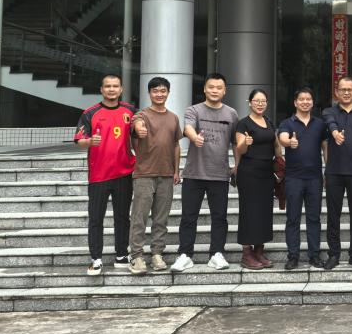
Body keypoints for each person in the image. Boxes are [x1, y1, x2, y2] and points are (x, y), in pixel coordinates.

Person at [172, 73, 239, 273]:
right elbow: (188, 128)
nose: (214, 91)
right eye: (211, 87)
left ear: (224, 91)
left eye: (219, 87)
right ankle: (185, 255)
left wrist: (237, 165)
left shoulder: (231, 114)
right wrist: (195, 138)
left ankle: (216, 254)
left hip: (219, 174)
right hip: (194, 173)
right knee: (188, 217)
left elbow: (236, 142)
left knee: (220, 217)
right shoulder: (194, 110)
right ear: (204, 89)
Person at [74, 74, 136, 276]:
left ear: (121, 89)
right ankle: (96, 259)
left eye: (115, 86)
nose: (111, 89)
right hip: (99, 175)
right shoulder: (90, 113)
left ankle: (121, 255)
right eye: (107, 86)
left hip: (124, 172)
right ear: (101, 89)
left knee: (122, 217)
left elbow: (139, 133)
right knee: (96, 218)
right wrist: (89, 142)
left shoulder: (130, 111)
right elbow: (79, 140)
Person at [129, 76, 182, 275]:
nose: (159, 94)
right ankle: (136, 256)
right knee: (139, 217)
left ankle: (157, 254)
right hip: (144, 174)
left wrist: (176, 170)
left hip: (167, 174)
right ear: (149, 93)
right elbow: (136, 124)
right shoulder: (141, 115)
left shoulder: (173, 117)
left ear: (168, 93)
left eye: (163, 91)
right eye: (155, 91)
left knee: (161, 219)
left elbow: (176, 145)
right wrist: (138, 129)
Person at [321, 76, 352, 270]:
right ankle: (333, 254)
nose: (346, 92)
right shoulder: (329, 111)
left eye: (350, 89)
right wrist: (335, 133)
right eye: (343, 89)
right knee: (333, 215)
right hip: (334, 171)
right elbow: (330, 122)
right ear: (337, 92)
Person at [278, 87, 327, 270]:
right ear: (295, 102)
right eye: (301, 99)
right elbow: (282, 138)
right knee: (293, 218)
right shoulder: (287, 123)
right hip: (294, 178)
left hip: (315, 178)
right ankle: (293, 256)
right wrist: (289, 142)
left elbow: (325, 147)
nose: (305, 102)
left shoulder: (320, 124)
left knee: (314, 218)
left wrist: (328, 169)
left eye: (308, 99)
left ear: (312, 102)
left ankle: (314, 255)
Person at [234, 88, 277, 270]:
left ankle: (259, 251)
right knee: (249, 211)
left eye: (263, 101)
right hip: (249, 172)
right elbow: (239, 149)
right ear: (250, 103)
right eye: (256, 101)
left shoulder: (269, 122)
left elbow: (275, 145)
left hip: (266, 172)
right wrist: (245, 143)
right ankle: (246, 253)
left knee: (264, 212)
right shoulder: (243, 124)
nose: (260, 104)